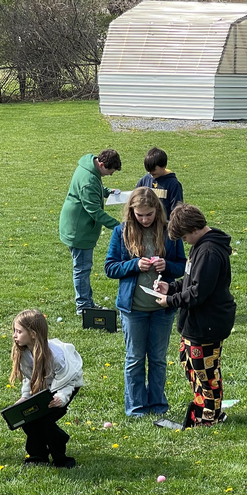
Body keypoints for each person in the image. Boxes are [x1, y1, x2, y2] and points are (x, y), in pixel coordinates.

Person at [104, 187, 186, 418]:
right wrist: (133, 265)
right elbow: (110, 267)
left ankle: (158, 405)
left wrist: (167, 266)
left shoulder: (169, 231)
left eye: (149, 214)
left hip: (162, 307)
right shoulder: (121, 232)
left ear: (157, 211)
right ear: (131, 212)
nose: (145, 219)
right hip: (133, 308)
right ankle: (136, 407)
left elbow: (182, 265)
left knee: (158, 359)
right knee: (135, 359)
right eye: (140, 215)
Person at [155, 204, 236, 428]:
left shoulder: (209, 251)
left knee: (206, 371)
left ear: (193, 229)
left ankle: (211, 415)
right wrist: (170, 288)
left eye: (183, 237)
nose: (185, 241)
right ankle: (201, 408)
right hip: (194, 322)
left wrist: (170, 301)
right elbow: (191, 282)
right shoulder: (200, 247)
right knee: (190, 364)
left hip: (207, 323)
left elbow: (199, 292)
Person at [9, 309, 83, 468]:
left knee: (45, 421)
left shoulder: (56, 356)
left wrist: (61, 398)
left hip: (65, 387)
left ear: (33, 334)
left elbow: (68, 380)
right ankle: (37, 456)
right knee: (28, 419)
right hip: (43, 389)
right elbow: (30, 377)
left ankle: (61, 458)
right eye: (14, 331)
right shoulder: (24, 353)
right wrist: (25, 397)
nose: (15, 335)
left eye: (19, 331)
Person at [58, 149, 122, 316]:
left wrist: (107, 191)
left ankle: (86, 302)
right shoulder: (88, 180)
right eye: (109, 172)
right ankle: (83, 306)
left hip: (76, 225)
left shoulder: (89, 166)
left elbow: (96, 186)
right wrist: (119, 226)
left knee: (82, 267)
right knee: (82, 268)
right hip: (78, 230)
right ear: (101, 164)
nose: (110, 175)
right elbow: (94, 211)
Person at [135, 147, 184, 219]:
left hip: (164, 225)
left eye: (154, 170)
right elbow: (134, 200)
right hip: (145, 222)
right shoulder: (144, 180)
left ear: (163, 166)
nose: (151, 173)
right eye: (148, 170)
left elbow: (177, 208)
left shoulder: (173, 184)